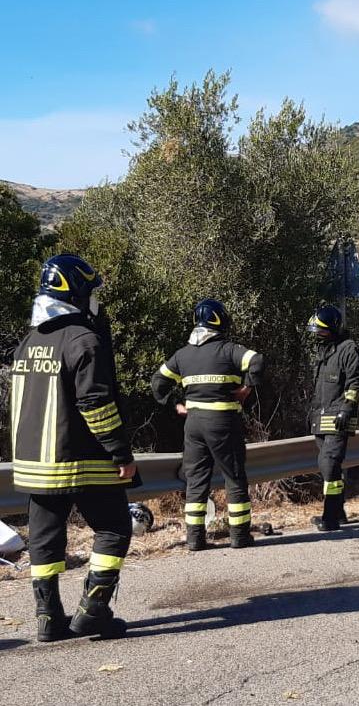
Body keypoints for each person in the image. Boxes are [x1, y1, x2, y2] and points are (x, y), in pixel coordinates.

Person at [10, 254, 136, 640]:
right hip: (83, 459)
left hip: (34, 464)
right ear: (77, 292)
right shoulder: (84, 339)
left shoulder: (28, 342)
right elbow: (94, 402)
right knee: (114, 528)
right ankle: (93, 610)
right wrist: (120, 452)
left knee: (45, 541)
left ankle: (48, 619)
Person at [151, 299, 263, 551]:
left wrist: (175, 405)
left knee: (196, 481)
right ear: (220, 321)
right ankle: (239, 536)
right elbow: (257, 361)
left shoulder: (182, 354)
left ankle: (194, 539)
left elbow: (158, 381)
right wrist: (246, 388)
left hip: (193, 424)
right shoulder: (229, 349)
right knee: (234, 477)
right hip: (223, 421)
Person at [306, 304, 359, 531]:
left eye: (322, 331)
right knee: (328, 467)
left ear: (334, 329)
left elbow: (356, 382)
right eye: (316, 331)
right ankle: (339, 512)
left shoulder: (349, 350)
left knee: (329, 464)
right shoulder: (324, 352)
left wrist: (347, 408)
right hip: (320, 417)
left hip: (339, 417)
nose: (318, 335)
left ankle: (329, 517)